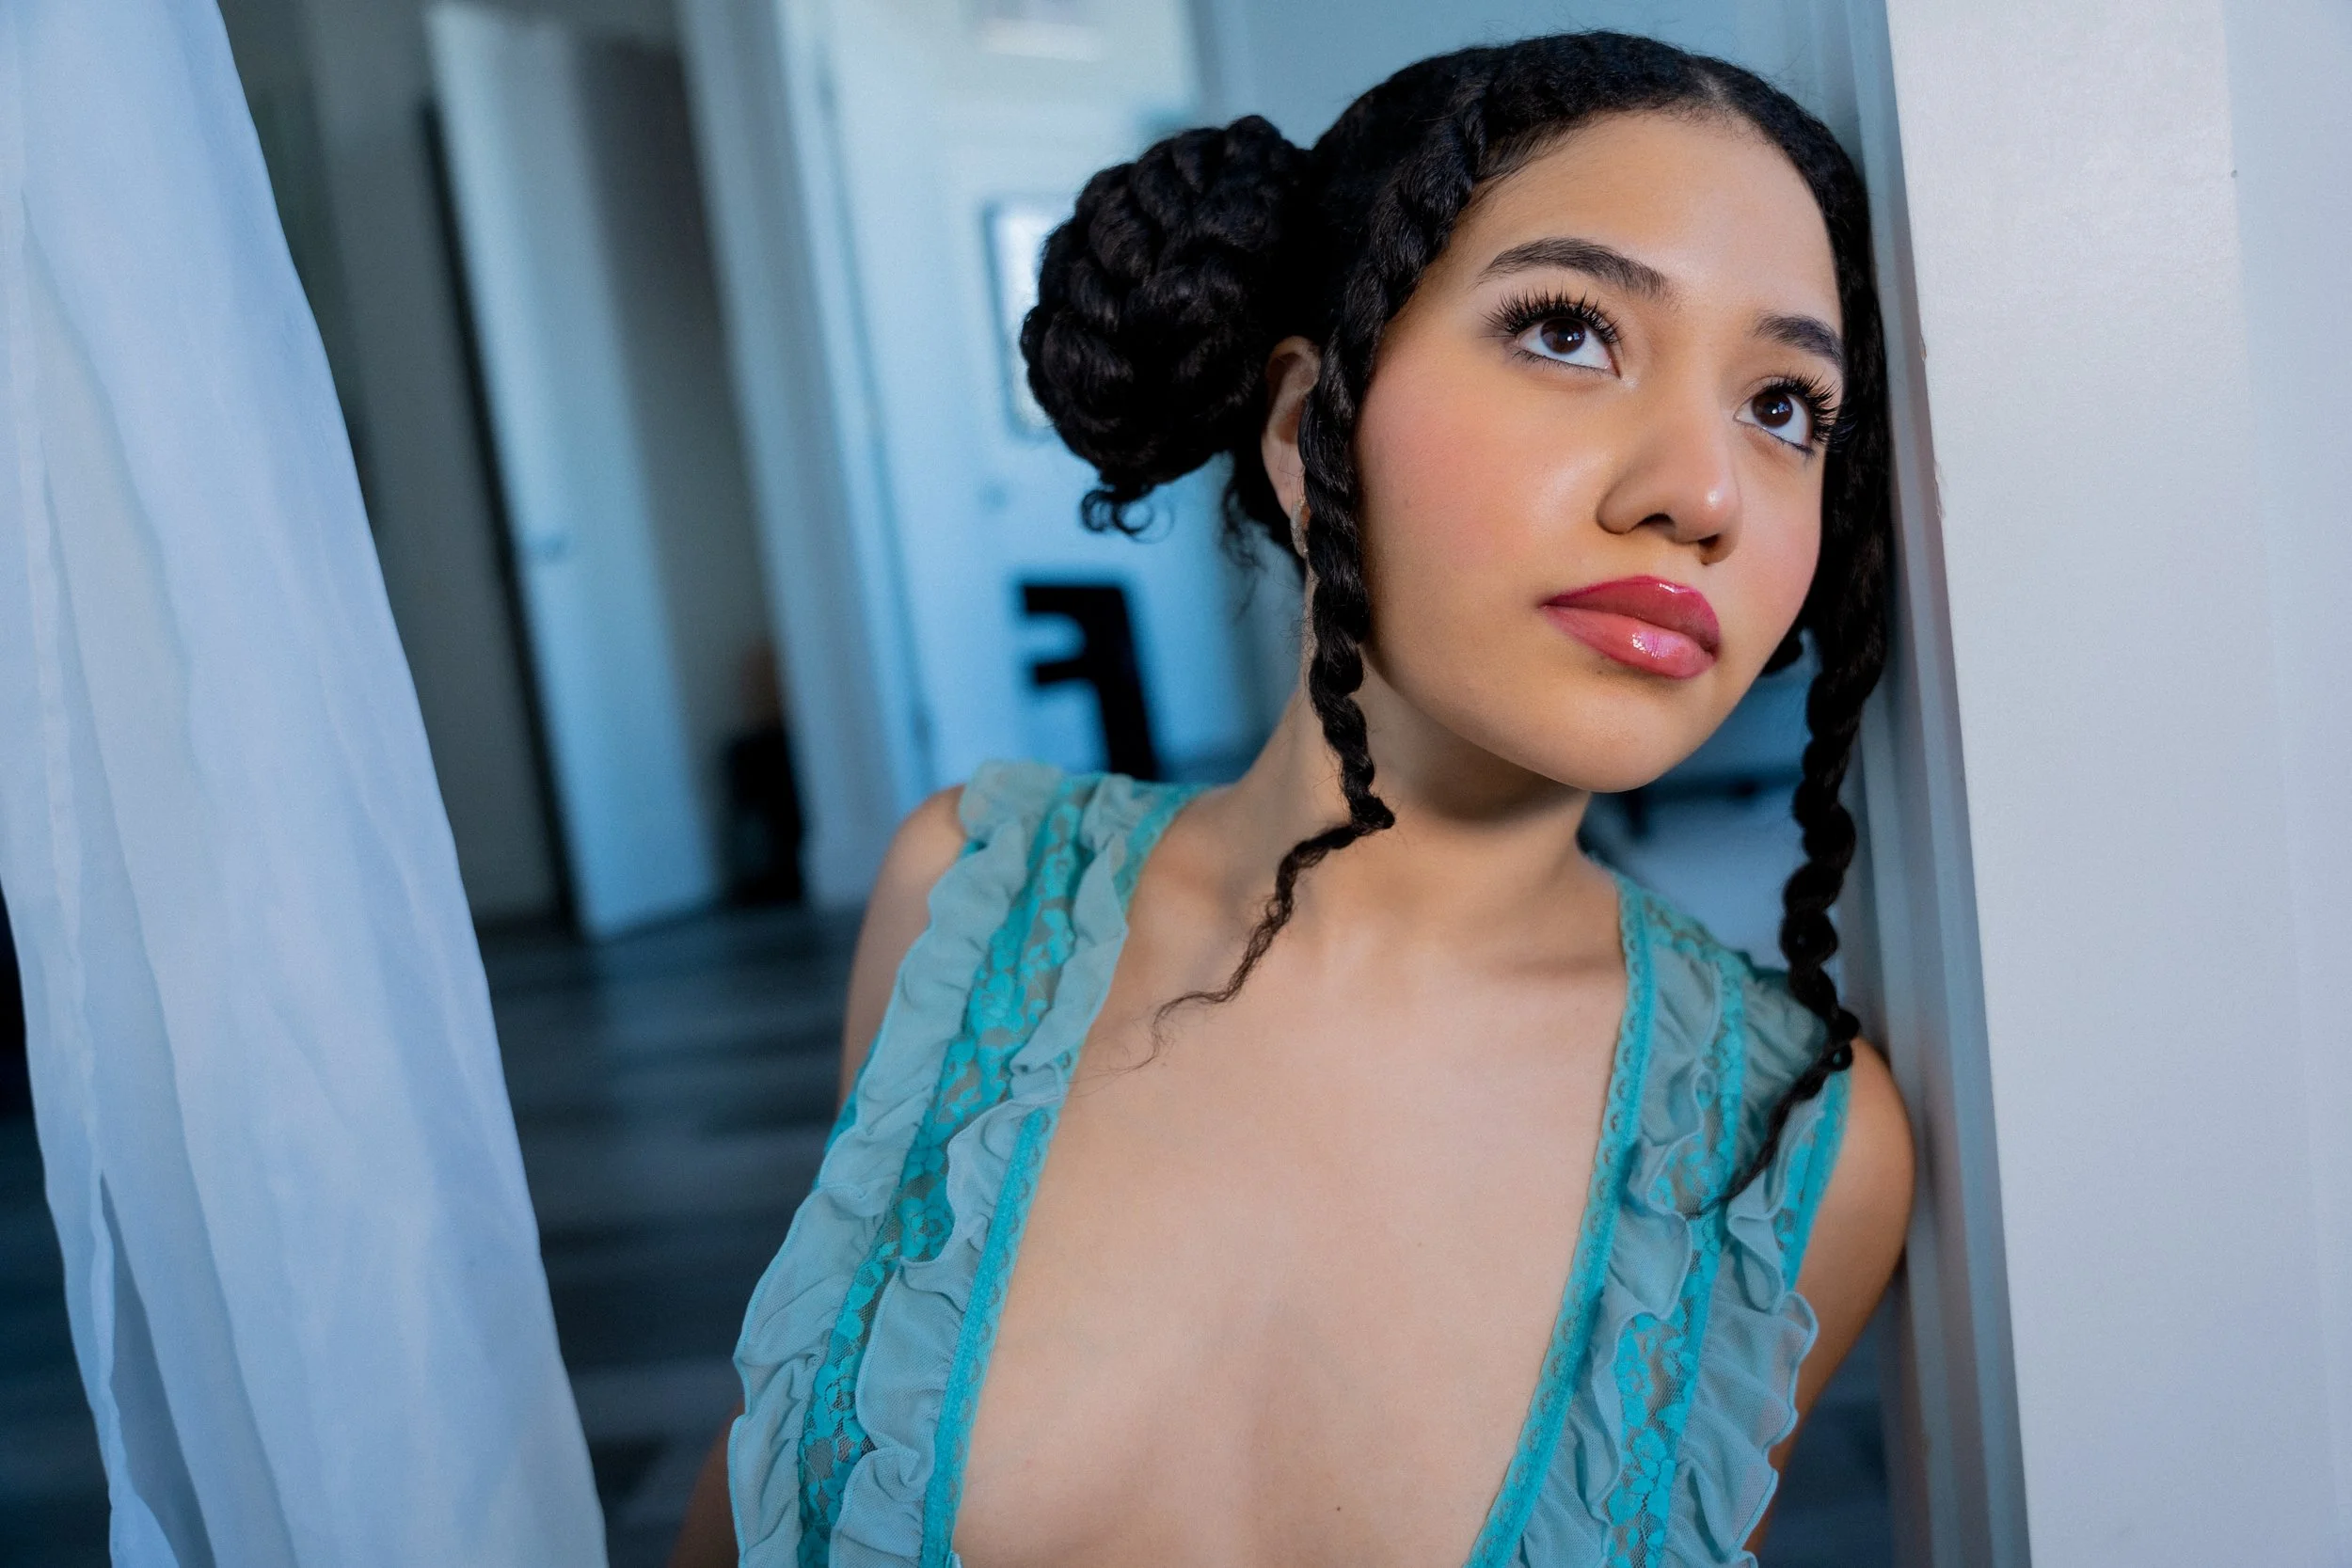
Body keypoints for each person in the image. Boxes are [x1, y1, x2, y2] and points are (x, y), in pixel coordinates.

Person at [672, 30, 1913, 1568]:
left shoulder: (1801, 1154)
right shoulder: (966, 900)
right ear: (1300, 432)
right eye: (1569, 330)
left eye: (1785, 406)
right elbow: (761, 1475)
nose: (1703, 491)